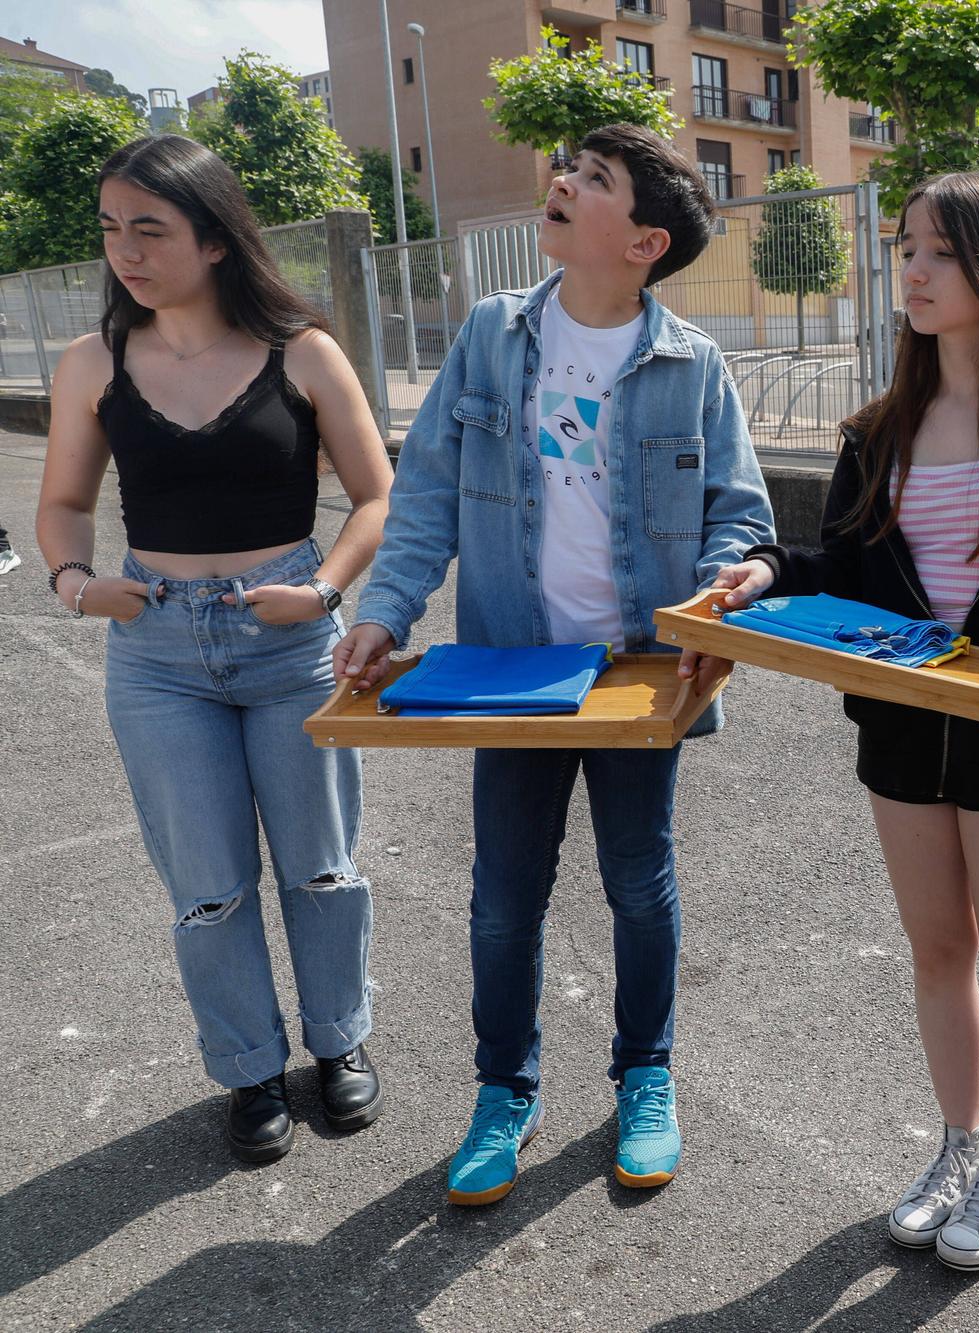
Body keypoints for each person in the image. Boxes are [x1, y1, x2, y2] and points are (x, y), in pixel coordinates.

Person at [691, 170, 979, 1272]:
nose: (915, 269)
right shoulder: (880, 427)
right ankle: (953, 1143)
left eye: (941, 250)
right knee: (936, 949)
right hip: (898, 721)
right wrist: (761, 566)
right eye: (906, 247)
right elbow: (840, 562)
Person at [333, 124, 775, 1207]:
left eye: (595, 180)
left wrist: (720, 589)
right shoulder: (491, 336)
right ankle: (503, 1090)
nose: (563, 183)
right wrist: (383, 614)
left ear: (643, 242)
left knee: (639, 885)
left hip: (637, 676)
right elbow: (427, 492)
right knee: (502, 900)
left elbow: (740, 514)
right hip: (511, 669)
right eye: (568, 170)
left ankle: (645, 1075)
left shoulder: (693, 363)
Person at [34, 135, 393, 1162]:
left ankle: (339, 1042)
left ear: (217, 239)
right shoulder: (93, 362)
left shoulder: (303, 352)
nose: (125, 252)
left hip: (288, 641)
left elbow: (375, 498)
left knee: (321, 868)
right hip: (154, 650)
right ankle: (247, 1069)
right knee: (206, 884)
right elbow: (61, 504)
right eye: (111, 229)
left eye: (151, 228)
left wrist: (325, 588)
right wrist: (73, 581)